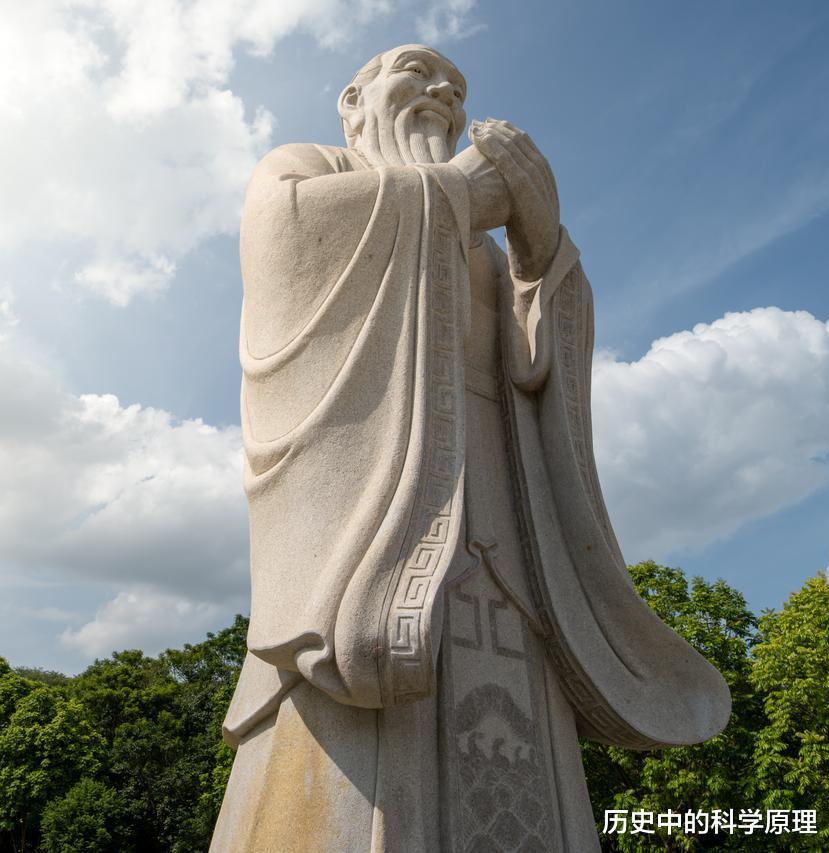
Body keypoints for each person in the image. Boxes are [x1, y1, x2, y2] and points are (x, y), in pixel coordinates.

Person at [210, 44, 730, 852]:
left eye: (457, 88)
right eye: (417, 71)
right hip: (382, 520)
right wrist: (457, 194)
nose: (444, 92)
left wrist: (539, 250)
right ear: (355, 99)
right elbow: (288, 231)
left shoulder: (486, 244)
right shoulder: (312, 164)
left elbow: (534, 365)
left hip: (506, 514)